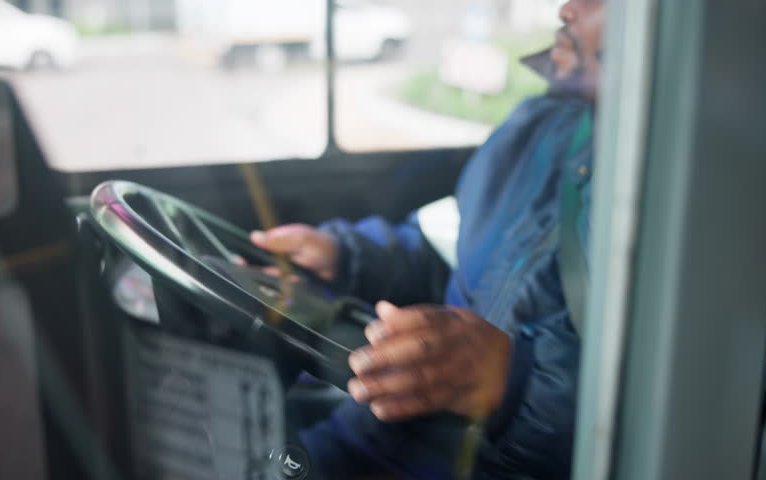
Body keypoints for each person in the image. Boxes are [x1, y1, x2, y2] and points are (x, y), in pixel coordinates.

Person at [252, 1, 605, 478]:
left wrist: (511, 379)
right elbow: (443, 244)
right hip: (383, 430)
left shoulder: (688, 214)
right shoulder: (537, 127)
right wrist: (344, 257)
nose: (567, 10)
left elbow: (660, 415)